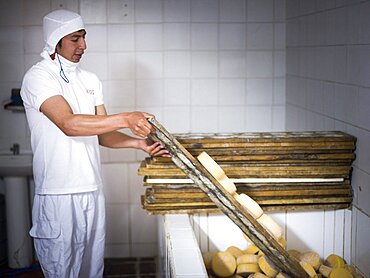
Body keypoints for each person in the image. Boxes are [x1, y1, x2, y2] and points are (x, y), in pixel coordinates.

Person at [20, 9, 169, 278]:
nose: (83, 46)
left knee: (92, 271)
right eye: (75, 39)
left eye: (84, 38)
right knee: (61, 272)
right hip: (59, 195)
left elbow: (103, 133)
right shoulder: (39, 77)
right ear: (56, 41)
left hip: (92, 190)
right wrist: (126, 117)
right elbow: (69, 124)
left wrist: (140, 145)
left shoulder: (89, 80)